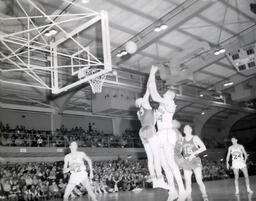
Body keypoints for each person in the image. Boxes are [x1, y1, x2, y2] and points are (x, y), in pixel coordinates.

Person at [147, 65, 186, 198]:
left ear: (172, 96)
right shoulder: (161, 106)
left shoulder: (170, 104)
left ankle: (182, 190)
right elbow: (154, 122)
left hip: (167, 134)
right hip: (160, 134)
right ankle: (172, 191)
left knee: (170, 162)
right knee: (164, 165)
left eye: (169, 93)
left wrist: (152, 74)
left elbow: (153, 93)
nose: (167, 93)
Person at [135, 89, 168, 189]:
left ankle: (154, 181)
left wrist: (156, 116)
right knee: (156, 156)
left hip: (143, 131)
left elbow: (150, 121)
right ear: (141, 102)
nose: (145, 100)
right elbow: (147, 93)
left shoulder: (139, 112)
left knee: (150, 158)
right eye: (143, 99)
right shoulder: (145, 105)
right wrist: (151, 77)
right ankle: (160, 180)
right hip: (149, 129)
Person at [182, 124, 208, 201]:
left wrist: (193, 154)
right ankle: (189, 197)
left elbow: (203, 147)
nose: (186, 129)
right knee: (187, 182)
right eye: (185, 128)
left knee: (199, 180)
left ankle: (205, 196)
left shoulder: (195, 137)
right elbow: (178, 150)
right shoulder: (182, 139)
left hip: (195, 160)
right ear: (184, 131)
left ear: (190, 130)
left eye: (188, 128)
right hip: (186, 161)